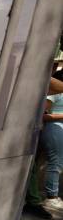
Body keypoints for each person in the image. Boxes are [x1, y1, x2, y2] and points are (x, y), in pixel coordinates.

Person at [40, 72, 63, 211]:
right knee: (55, 162)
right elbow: (42, 115)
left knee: (58, 163)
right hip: (54, 129)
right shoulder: (55, 92)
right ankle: (51, 197)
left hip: (58, 130)